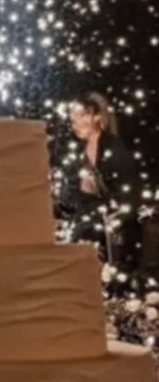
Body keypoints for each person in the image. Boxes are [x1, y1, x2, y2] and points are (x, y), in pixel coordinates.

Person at [62, 90, 142, 272]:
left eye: (80, 115)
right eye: (72, 116)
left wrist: (102, 195)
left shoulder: (114, 149)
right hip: (84, 227)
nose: (73, 121)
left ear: (96, 116)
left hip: (110, 231)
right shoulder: (76, 154)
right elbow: (68, 197)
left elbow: (130, 193)